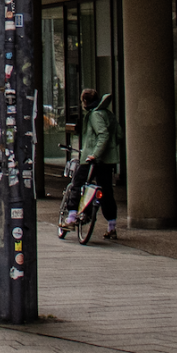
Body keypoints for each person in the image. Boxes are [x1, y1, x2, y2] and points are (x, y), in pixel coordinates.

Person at [64, 88, 121, 240]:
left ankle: (71, 216)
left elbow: (103, 134)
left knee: (78, 183)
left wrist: (94, 154)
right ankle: (111, 226)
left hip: (92, 159)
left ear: (84, 101)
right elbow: (119, 134)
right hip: (107, 161)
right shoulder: (108, 113)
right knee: (106, 191)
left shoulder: (95, 115)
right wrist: (109, 150)